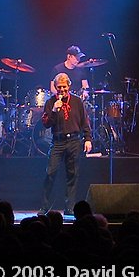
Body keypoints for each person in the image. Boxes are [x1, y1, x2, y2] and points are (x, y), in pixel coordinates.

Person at [40, 72, 92, 215]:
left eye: (64, 87)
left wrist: (88, 139)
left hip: (74, 140)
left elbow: (84, 122)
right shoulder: (50, 102)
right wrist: (54, 110)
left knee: (72, 174)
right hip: (57, 141)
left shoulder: (77, 101)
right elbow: (45, 124)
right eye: (59, 87)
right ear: (55, 87)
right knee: (50, 173)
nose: (62, 90)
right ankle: (44, 207)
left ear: (69, 86)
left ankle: (69, 207)